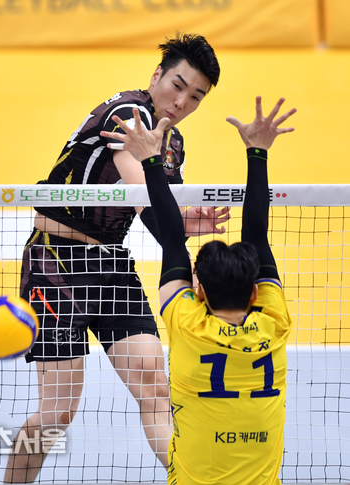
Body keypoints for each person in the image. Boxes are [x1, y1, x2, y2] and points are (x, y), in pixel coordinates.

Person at [4, 33, 231, 483]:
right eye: (178, 85)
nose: (181, 102)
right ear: (157, 75)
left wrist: (188, 222)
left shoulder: (171, 144)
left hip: (110, 265)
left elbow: (164, 211)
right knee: (56, 414)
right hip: (56, 263)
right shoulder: (129, 115)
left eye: (195, 96)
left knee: (155, 387)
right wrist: (179, 240)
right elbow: (148, 201)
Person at [102, 95, 295, 484]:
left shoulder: (188, 324)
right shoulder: (273, 323)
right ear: (255, 294)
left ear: (199, 292)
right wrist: (258, 150)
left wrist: (150, 160)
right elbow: (257, 237)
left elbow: (173, 239)